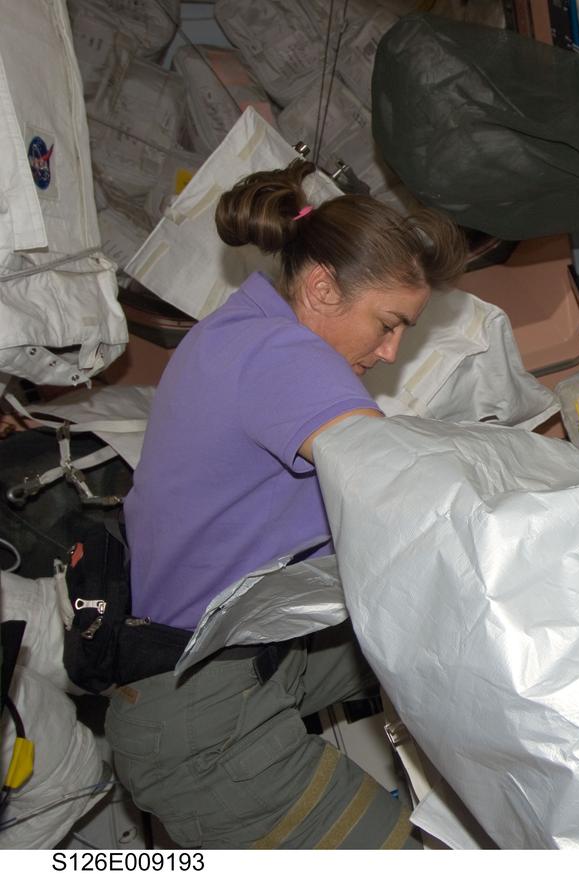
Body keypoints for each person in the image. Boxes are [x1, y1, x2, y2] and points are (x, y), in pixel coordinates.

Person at [103, 160, 470, 848]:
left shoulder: (240, 331)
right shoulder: (281, 354)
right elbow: (396, 491)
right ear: (323, 287)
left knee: (458, 642)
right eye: (388, 325)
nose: (390, 353)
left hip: (239, 665)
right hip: (203, 727)